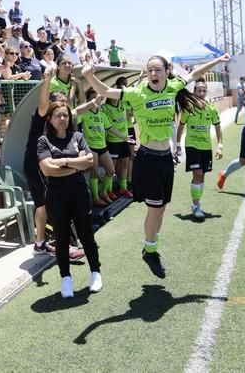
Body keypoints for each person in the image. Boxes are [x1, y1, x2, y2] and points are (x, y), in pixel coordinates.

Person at [82, 52, 231, 278]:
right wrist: (90, 76)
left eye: (157, 69)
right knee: (155, 207)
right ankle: (150, 250)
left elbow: (197, 73)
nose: (153, 73)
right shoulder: (136, 93)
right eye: (150, 69)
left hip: (166, 159)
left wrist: (219, 60)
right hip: (148, 158)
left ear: (166, 71)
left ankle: (150, 247)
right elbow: (105, 92)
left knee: (161, 208)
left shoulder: (173, 86)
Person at [37, 101, 101, 298]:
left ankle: (95, 273)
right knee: (62, 239)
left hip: (79, 194)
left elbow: (90, 161)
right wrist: (76, 165)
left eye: (65, 115)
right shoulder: (43, 141)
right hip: (56, 197)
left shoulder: (77, 136)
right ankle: (66, 278)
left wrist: (63, 162)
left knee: (86, 235)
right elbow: (47, 169)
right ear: (50, 119)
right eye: (58, 115)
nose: (63, 119)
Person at [175, 78, 223, 220]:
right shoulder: (188, 108)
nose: (201, 92)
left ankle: (196, 203)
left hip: (206, 146)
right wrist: (177, 145)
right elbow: (181, 126)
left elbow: (218, 126)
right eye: (198, 90)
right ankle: (196, 206)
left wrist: (220, 146)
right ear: (194, 91)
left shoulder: (211, 108)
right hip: (192, 145)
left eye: (204, 90)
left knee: (202, 176)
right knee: (197, 173)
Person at [79, 88, 133, 206]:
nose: (95, 100)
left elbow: (111, 128)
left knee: (111, 171)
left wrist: (125, 137)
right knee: (94, 173)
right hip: (91, 147)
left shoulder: (102, 115)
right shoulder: (84, 114)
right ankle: (96, 197)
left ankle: (104, 192)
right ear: (88, 100)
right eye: (92, 98)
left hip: (103, 146)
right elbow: (75, 120)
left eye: (97, 98)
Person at [102, 77, 134, 199]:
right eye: (113, 93)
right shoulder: (105, 108)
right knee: (112, 167)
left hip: (124, 140)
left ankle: (123, 188)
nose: (115, 95)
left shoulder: (123, 103)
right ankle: (109, 190)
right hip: (112, 141)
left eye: (117, 92)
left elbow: (129, 93)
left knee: (124, 164)